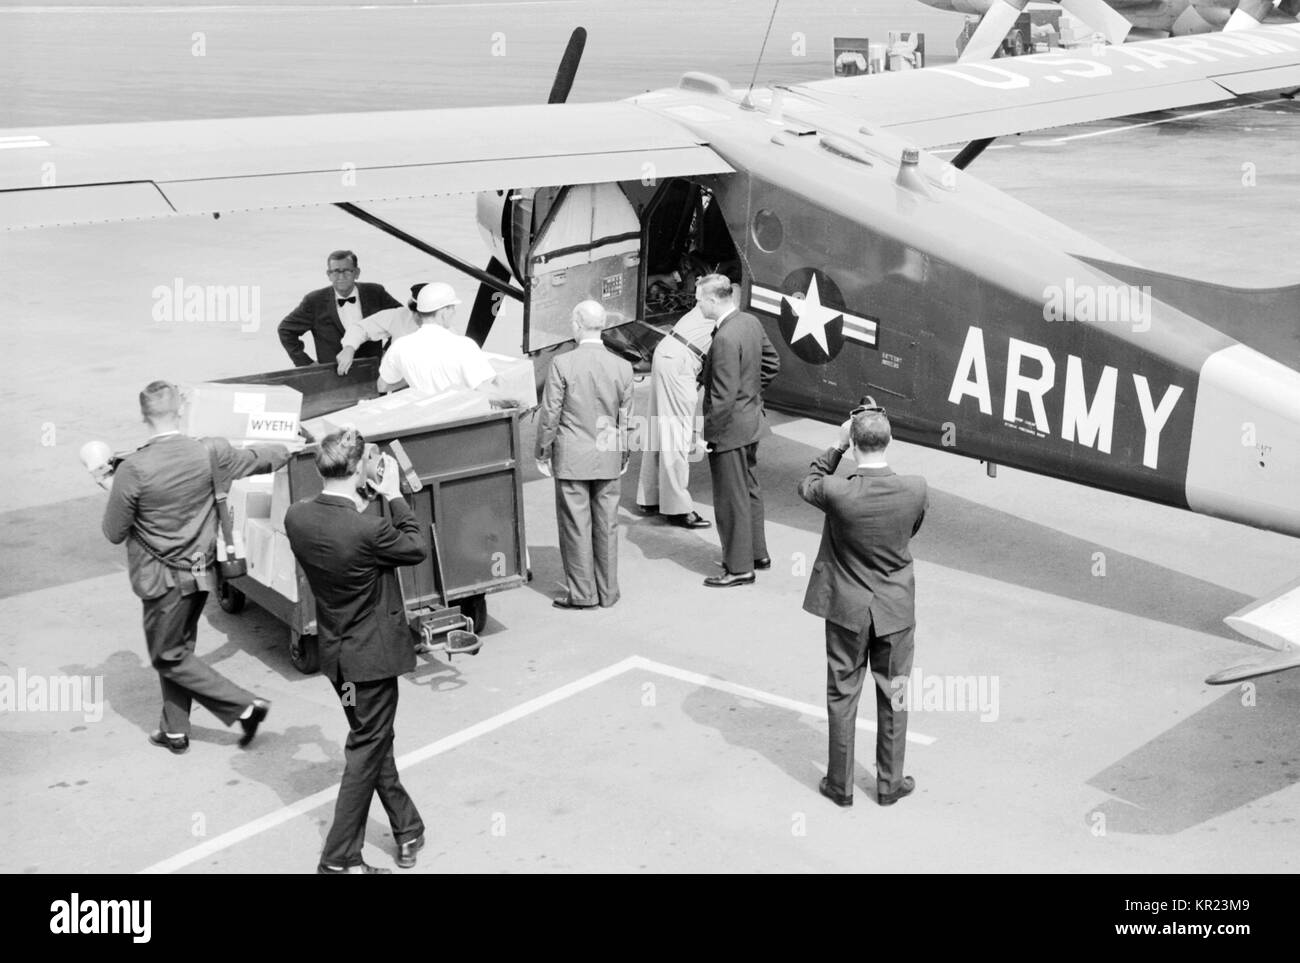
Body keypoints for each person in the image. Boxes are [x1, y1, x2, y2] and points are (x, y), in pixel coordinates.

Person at [101, 381, 288, 754]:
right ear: (180, 411)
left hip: (160, 581)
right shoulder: (209, 453)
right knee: (180, 650)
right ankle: (174, 729)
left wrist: (108, 483)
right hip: (201, 574)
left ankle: (245, 708)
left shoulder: (133, 469)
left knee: (167, 656)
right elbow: (259, 457)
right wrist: (287, 447)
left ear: (143, 416)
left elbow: (113, 532)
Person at [283, 429, 429, 874]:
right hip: (373, 659)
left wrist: (366, 501)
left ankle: (408, 829)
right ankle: (340, 858)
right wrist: (393, 495)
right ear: (357, 468)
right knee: (367, 749)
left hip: (338, 659)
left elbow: (342, 536)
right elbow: (415, 545)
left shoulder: (297, 517)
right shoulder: (369, 527)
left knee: (373, 741)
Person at [797, 402, 927, 808]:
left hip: (847, 609)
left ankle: (841, 785)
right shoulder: (916, 488)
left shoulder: (838, 490)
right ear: (890, 441)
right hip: (894, 608)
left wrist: (835, 448)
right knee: (894, 695)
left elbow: (808, 481)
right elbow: (912, 530)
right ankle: (889, 784)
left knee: (842, 693)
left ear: (853, 443)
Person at [536, 300, 634, 610]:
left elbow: (550, 414)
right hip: (607, 454)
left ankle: (582, 594)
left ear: (577, 324)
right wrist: (624, 453)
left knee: (576, 526)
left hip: (572, 457)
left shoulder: (563, 364)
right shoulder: (623, 366)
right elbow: (627, 419)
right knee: (607, 525)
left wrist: (542, 451)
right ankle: (608, 592)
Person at [697, 274, 780, 588]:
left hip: (730, 431)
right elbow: (772, 364)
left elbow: (722, 397)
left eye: (699, 299)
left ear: (715, 299)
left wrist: (709, 436)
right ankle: (757, 553)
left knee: (731, 499)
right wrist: (751, 394)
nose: (697, 304)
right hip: (752, 424)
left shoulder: (725, 338)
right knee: (749, 490)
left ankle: (739, 567)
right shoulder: (750, 323)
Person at [375, 282, 518, 406]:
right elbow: (488, 392)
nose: (454, 313)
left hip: (423, 422)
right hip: (460, 423)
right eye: (452, 308)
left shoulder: (399, 346)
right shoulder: (464, 346)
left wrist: (411, 377)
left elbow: (383, 385)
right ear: (443, 312)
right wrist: (518, 399)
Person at [635, 306, 713, 530]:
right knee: (678, 436)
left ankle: (650, 497)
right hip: (682, 359)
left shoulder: (715, 295)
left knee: (660, 429)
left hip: (669, 351)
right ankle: (677, 509)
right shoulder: (733, 302)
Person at [278, 250, 401, 368]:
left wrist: (388, 352)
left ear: (356, 272)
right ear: (329, 275)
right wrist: (306, 364)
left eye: (347, 271)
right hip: (334, 378)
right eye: (336, 271)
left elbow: (404, 318)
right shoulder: (314, 301)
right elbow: (286, 330)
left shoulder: (375, 293)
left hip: (374, 372)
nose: (341, 276)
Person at [334, 282, 425, 376]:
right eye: (415, 312)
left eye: (424, 314)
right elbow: (360, 328)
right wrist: (349, 347)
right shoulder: (401, 315)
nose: (417, 317)